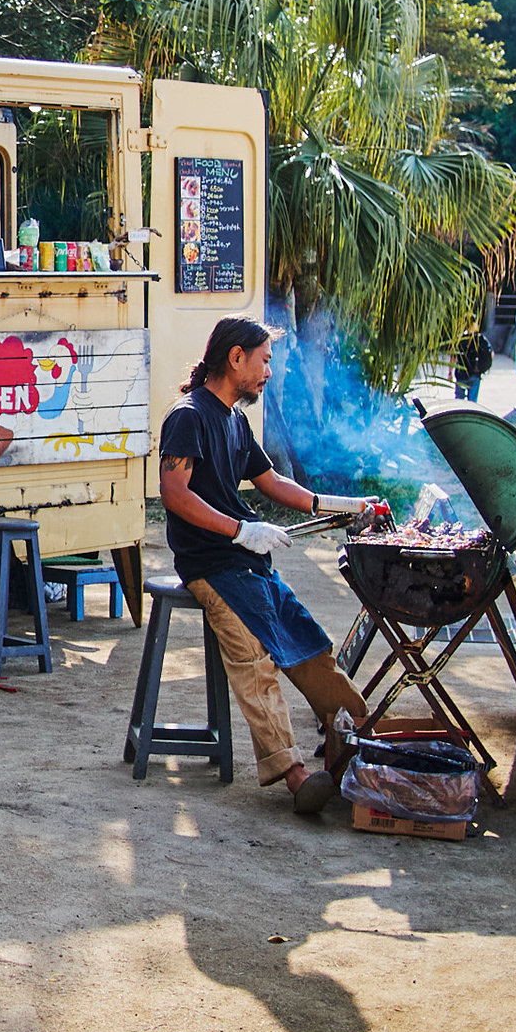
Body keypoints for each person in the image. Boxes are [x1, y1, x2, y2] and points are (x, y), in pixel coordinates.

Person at [158, 315, 377, 816]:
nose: (269, 373)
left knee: (308, 644)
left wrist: (344, 506)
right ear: (235, 357)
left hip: (247, 561)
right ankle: (296, 776)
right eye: (264, 361)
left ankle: (358, 739)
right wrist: (240, 530)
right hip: (210, 564)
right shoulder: (189, 416)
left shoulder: (235, 420)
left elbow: (274, 483)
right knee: (255, 658)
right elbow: (174, 493)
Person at [452, 320, 493, 403]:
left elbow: (453, 357)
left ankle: (459, 415)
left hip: (461, 374)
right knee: (472, 403)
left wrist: (450, 372)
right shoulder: (480, 339)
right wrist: (484, 367)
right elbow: (491, 353)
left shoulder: (461, 338)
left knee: (458, 401)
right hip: (475, 373)